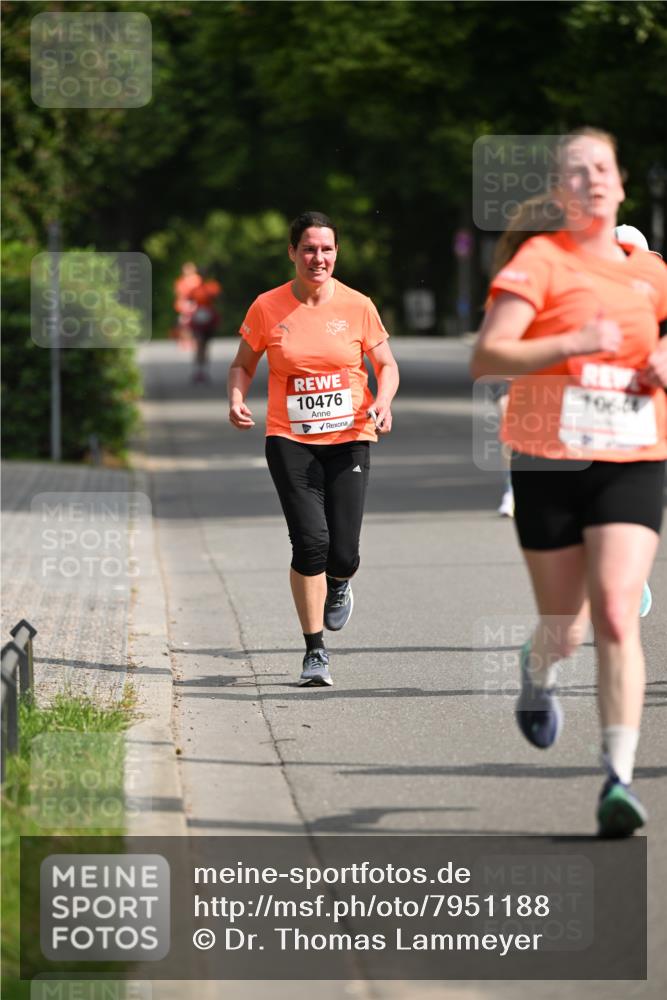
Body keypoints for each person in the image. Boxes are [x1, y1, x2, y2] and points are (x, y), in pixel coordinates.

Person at [472, 128, 667, 837]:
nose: (590, 180)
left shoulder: (649, 271)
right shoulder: (538, 263)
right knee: (567, 628)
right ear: (559, 193)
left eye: (602, 169)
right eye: (574, 172)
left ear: (619, 186)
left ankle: (616, 777)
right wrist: (569, 345)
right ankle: (537, 668)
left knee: (617, 611)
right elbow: (488, 355)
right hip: (547, 458)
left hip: (632, 452)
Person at [228, 211, 400, 687]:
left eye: (326, 249)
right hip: (289, 439)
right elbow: (242, 364)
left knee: (342, 553)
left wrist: (383, 403)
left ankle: (340, 582)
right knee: (311, 542)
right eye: (308, 249)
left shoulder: (358, 305)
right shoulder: (267, 307)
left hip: (349, 440)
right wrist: (237, 398)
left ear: (336, 254)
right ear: (292, 253)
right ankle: (315, 651)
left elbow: (386, 365)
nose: (317, 257)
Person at [190, 271, 221, 383]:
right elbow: (190, 301)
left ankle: (203, 371)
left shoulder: (211, 287)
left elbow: (216, 300)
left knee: (205, 346)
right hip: (200, 319)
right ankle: (199, 371)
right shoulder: (196, 289)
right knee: (200, 344)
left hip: (207, 319)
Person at [173, 261, 201, 346]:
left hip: (196, 304)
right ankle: (185, 340)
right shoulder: (181, 281)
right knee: (184, 323)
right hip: (185, 304)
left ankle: (195, 340)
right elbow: (179, 294)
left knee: (196, 323)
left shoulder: (197, 279)